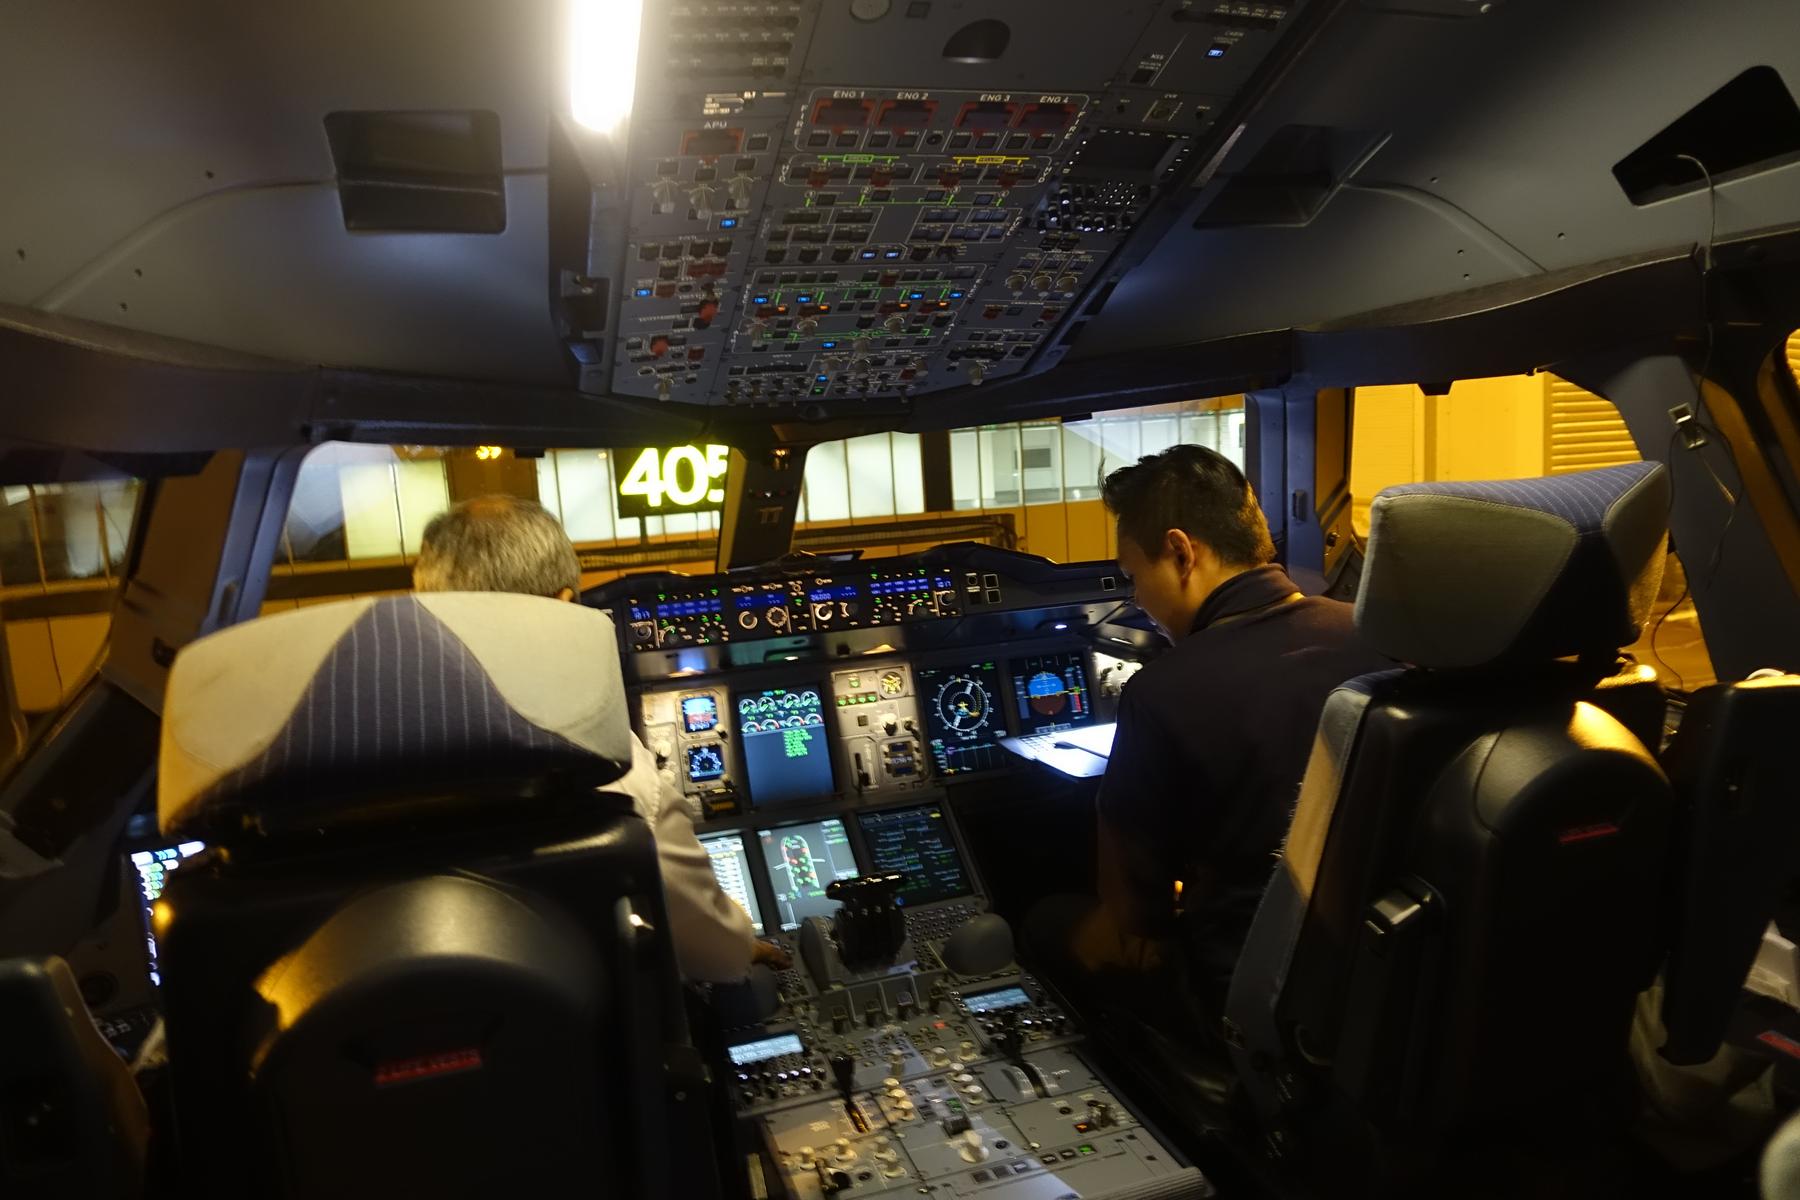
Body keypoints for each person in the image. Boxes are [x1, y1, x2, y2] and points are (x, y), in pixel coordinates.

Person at [1034, 445, 1388, 1018]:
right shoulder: (1374, 633)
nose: (1137, 601)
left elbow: (1134, 916)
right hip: (1380, 970)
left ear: (1180, 552)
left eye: (1134, 576)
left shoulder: (1164, 690)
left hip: (1248, 994)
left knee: (1047, 920)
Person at [413, 494, 788, 981]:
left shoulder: (365, 742)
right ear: (565, 604)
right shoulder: (609, 762)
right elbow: (710, 954)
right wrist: (744, 945)